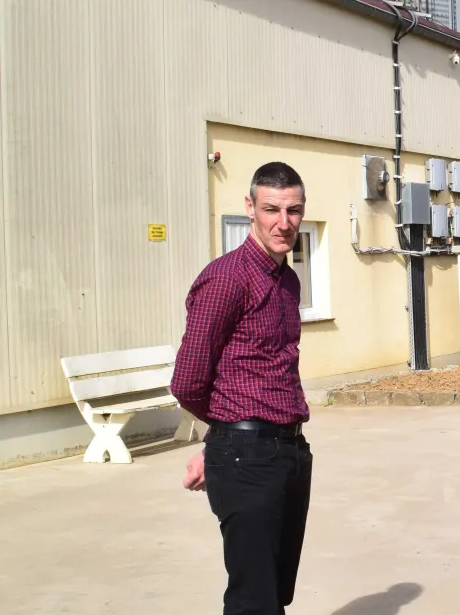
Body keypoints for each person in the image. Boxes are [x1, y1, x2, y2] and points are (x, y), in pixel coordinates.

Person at [173, 162, 315, 615]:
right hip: (248, 459)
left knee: (276, 591)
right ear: (249, 208)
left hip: (289, 451)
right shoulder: (226, 278)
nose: (284, 222)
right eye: (272, 209)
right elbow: (189, 379)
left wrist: (218, 443)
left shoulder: (287, 280)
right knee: (253, 600)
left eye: (294, 210)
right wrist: (227, 438)